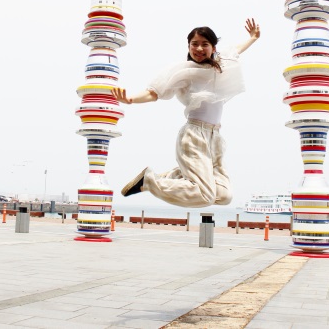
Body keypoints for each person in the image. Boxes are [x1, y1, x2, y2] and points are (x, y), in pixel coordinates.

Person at [111, 18, 260, 208]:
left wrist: (253, 38)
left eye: (204, 44)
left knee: (224, 195)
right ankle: (149, 181)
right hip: (194, 136)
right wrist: (130, 99)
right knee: (206, 196)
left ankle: (176, 175)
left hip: (214, 137)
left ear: (213, 47)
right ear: (188, 47)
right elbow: (154, 92)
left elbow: (236, 49)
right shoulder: (185, 71)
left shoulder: (222, 64)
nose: (198, 49)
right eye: (194, 44)